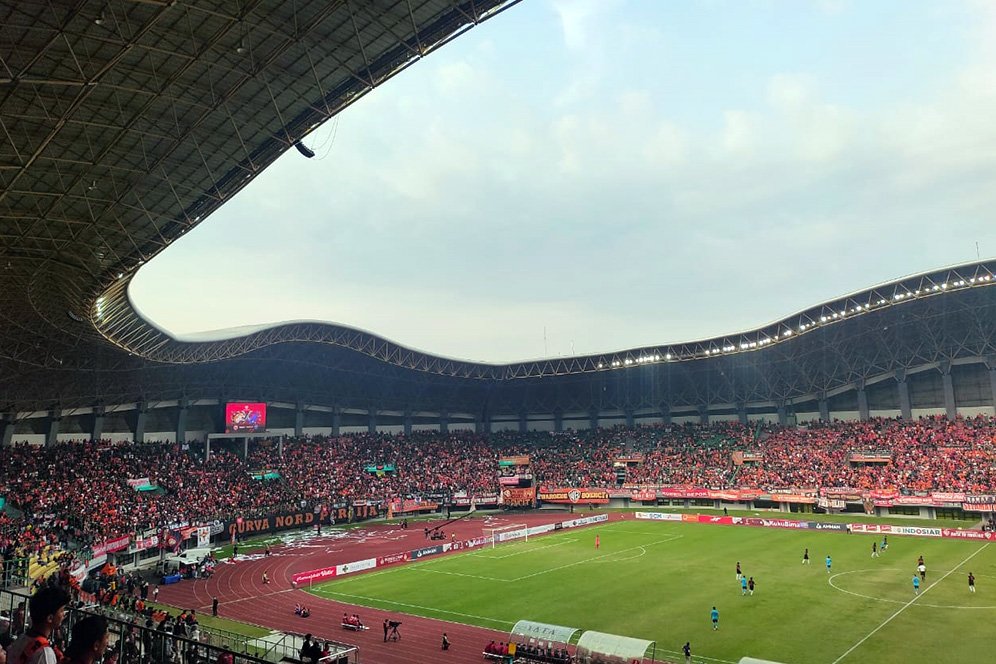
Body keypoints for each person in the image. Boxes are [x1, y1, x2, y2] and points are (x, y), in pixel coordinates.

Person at [5, 586, 70, 664]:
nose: (64, 615)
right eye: (62, 611)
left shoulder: (21, 639)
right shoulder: (45, 653)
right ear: (50, 618)